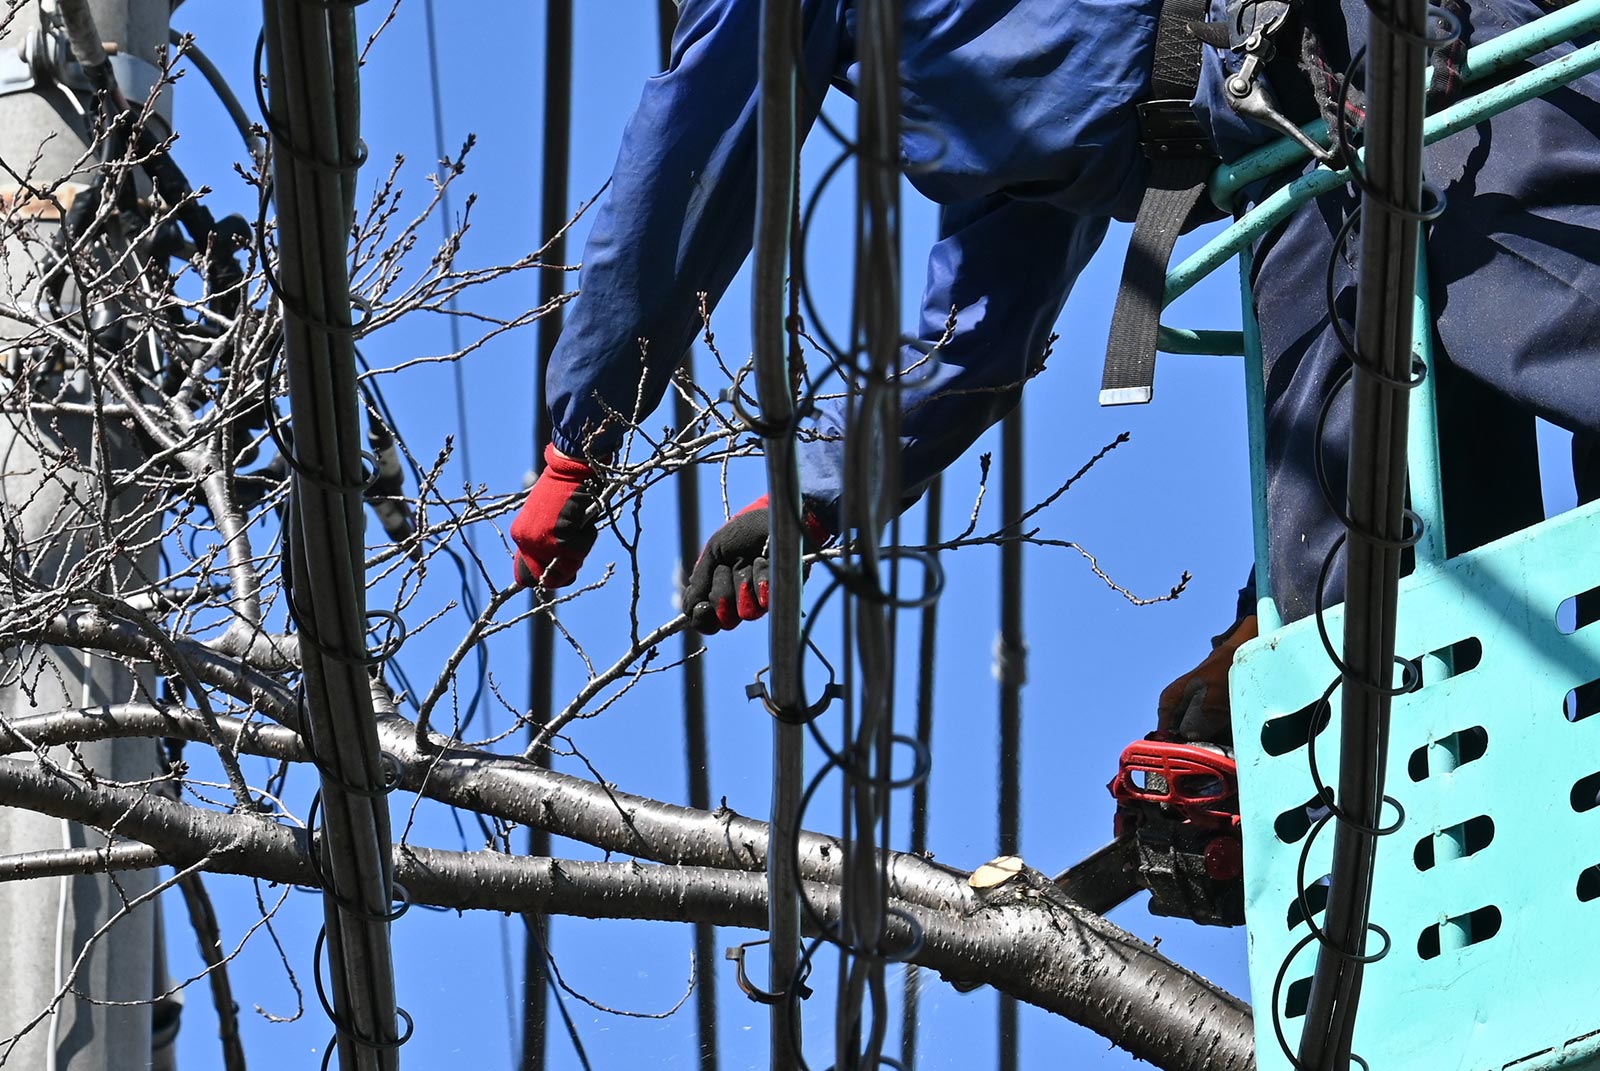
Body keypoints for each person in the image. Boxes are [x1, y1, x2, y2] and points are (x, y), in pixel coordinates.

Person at [508, 0, 1600, 747]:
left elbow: (681, 178)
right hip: (1287, 152)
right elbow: (985, 303)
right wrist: (822, 491)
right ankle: (1428, 882)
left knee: (1562, 318)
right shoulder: (966, 61)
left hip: (1377, 32)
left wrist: (581, 440)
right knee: (1343, 558)